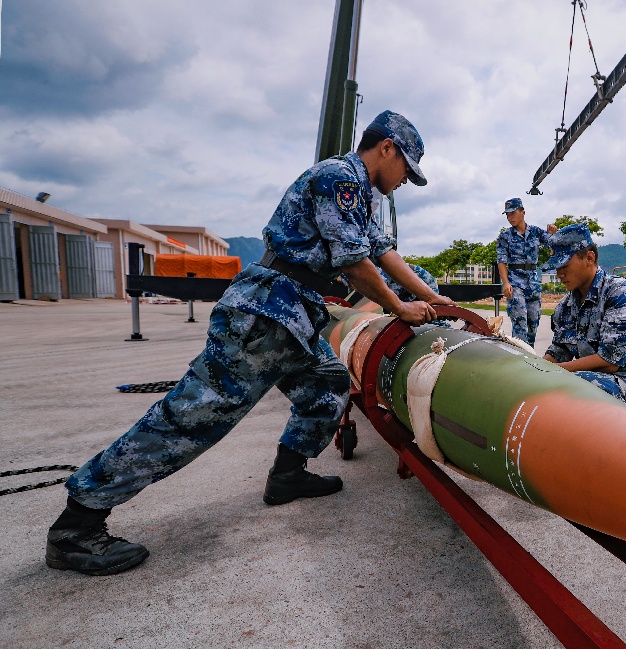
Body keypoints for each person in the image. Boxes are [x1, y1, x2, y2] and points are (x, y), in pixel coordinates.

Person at [45, 110, 453, 576]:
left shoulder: (361, 196)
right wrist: (398, 308)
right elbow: (356, 261)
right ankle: (77, 525)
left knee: (327, 386)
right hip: (265, 313)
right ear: (386, 149)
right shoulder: (338, 177)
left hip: (294, 316)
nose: (405, 181)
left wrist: (430, 297)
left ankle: (287, 475)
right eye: (406, 169)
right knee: (194, 416)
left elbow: (383, 251)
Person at [541, 223, 626, 413]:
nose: (559, 274)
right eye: (556, 267)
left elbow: (609, 362)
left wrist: (556, 372)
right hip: (587, 377)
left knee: (568, 387)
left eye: (564, 266)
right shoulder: (565, 306)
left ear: (589, 258)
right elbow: (559, 350)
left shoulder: (620, 294)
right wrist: (537, 369)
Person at [495, 198, 556, 348]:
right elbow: (501, 261)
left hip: (533, 282)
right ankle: (520, 356)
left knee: (533, 321)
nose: (510, 218)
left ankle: (530, 354)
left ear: (523, 212)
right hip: (515, 282)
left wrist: (554, 235)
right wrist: (506, 283)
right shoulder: (505, 236)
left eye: (512, 213)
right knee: (520, 320)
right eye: (507, 215)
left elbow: (553, 246)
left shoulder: (535, 232)